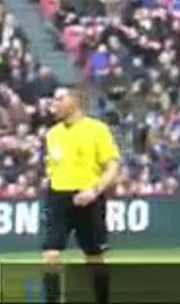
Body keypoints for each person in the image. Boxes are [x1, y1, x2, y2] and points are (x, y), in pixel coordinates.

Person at [41, 87, 121, 304]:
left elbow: (112, 166)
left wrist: (94, 190)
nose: (53, 104)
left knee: (94, 256)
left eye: (59, 99)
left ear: (74, 102)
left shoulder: (98, 130)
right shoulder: (52, 134)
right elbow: (52, 165)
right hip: (58, 197)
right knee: (51, 254)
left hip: (89, 198)